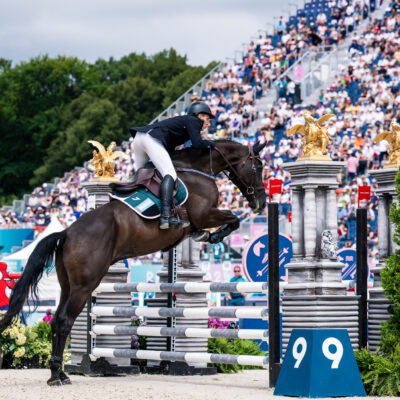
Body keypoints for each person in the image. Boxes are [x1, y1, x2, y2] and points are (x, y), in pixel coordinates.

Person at [129, 102, 215, 229]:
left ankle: (134, 204)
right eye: (207, 119)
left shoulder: (184, 124)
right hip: (151, 139)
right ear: (200, 115)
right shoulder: (193, 120)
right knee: (170, 174)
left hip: (139, 139)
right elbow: (198, 143)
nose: (208, 123)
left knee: (142, 175)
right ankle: (166, 216)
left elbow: (170, 150)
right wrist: (213, 145)